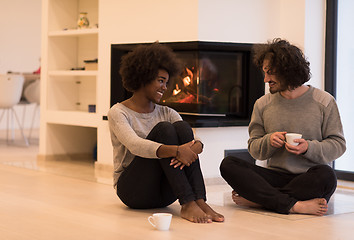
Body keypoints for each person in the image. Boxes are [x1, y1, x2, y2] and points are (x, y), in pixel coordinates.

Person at [220, 38, 346, 216]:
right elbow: (254, 149)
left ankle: (261, 201)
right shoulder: (262, 104)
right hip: (274, 177)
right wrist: (269, 141)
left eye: (270, 73)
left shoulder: (324, 101)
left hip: (309, 177)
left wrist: (308, 148)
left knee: (327, 176)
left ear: (288, 71)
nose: (265, 79)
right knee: (229, 164)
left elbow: (338, 144)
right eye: (264, 73)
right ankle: (294, 205)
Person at [108, 42, 224, 223]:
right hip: (133, 191)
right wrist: (177, 151)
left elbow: (195, 140)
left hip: (166, 192)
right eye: (160, 81)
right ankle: (187, 203)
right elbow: (135, 145)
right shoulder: (118, 112)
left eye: (166, 82)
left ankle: (199, 200)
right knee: (165, 129)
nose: (164, 87)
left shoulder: (167, 112)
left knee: (183, 128)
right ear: (143, 77)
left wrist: (195, 146)